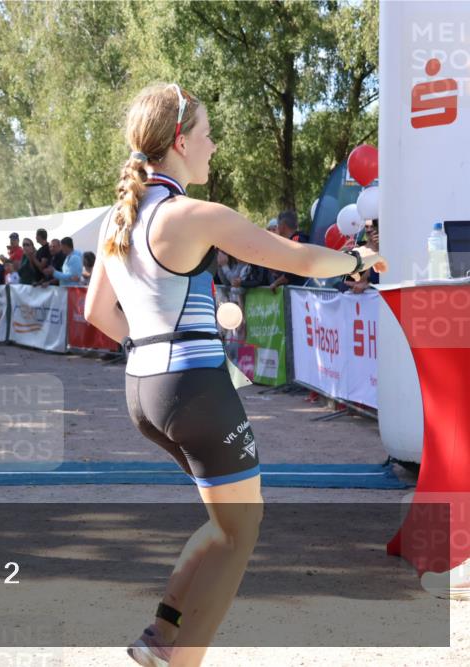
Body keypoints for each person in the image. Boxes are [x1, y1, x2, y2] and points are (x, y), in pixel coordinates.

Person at [83, 83, 387, 667]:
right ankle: (180, 658)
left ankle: (161, 634)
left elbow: (100, 314)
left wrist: (157, 348)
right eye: (206, 134)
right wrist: (361, 259)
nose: (214, 145)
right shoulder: (193, 214)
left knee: (225, 522)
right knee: (242, 530)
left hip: (143, 389)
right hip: (192, 388)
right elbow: (299, 260)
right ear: (178, 140)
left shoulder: (118, 219)